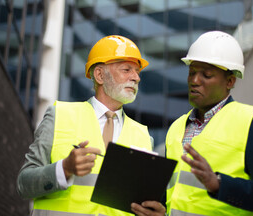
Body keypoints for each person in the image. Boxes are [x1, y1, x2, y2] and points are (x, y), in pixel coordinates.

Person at [131, 31, 253, 216]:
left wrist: (219, 184)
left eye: (206, 75)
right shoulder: (175, 128)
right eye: (192, 73)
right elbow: (177, 197)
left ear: (230, 81)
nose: (194, 81)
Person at [17, 35, 153, 216]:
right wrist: (64, 169)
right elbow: (23, 184)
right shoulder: (59, 115)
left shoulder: (144, 136)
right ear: (99, 75)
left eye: (137, 71)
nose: (136, 78)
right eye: (126, 69)